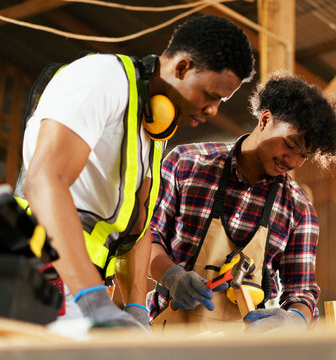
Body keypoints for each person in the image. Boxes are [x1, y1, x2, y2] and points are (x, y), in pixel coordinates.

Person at [13, 15, 255, 329]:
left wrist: (137, 307)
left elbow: (137, 224)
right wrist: (93, 298)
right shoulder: (102, 78)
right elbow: (44, 182)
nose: (213, 111)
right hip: (37, 276)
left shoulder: (153, 126)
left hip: (82, 286)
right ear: (181, 67)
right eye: (211, 96)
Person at [147, 71, 336, 333]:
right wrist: (171, 276)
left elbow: (302, 292)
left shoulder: (299, 209)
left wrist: (295, 319)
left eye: (304, 156)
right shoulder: (187, 163)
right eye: (289, 144)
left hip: (245, 346)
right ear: (265, 119)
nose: (293, 161)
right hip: (166, 338)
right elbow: (147, 238)